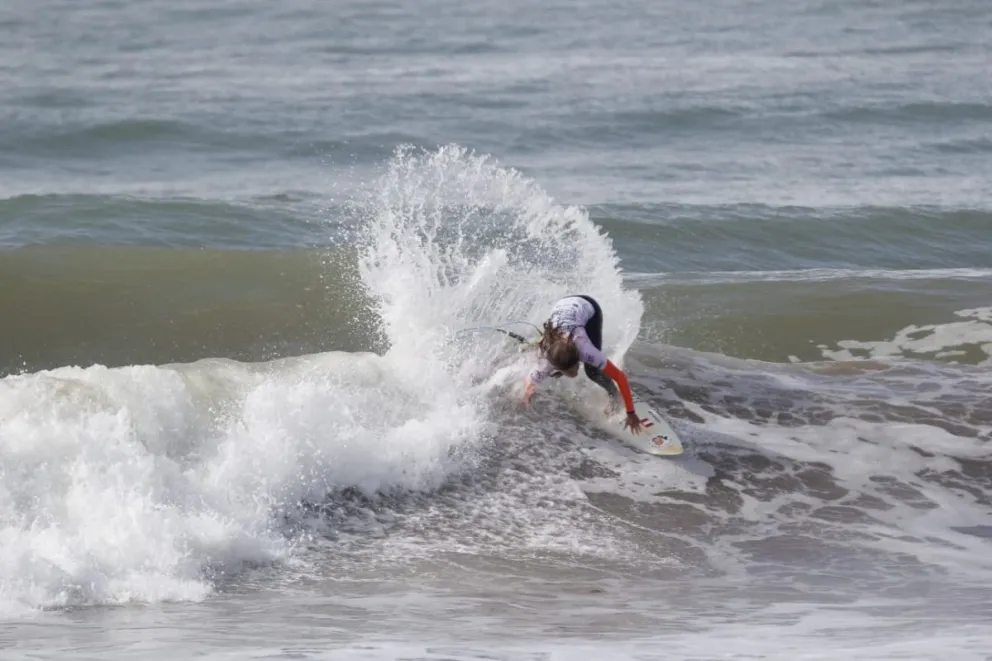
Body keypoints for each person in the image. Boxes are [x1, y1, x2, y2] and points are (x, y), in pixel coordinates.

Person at [522, 295, 642, 434]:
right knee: (550, 370)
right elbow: (530, 382)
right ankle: (538, 344)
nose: (573, 375)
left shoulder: (587, 351)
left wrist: (631, 413)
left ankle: (614, 395)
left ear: (578, 359)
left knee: (592, 372)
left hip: (588, 308)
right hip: (563, 306)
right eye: (568, 372)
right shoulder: (547, 360)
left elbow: (621, 378)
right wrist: (527, 396)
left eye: (572, 369)